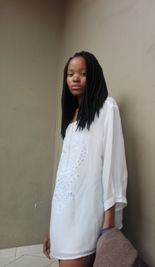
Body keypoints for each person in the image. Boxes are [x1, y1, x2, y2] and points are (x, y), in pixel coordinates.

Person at [43, 51, 128, 267]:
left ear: (95, 76)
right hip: (64, 216)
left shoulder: (107, 108)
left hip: (86, 215)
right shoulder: (72, 116)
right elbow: (64, 174)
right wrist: (52, 227)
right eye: (70, 74)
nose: (75, 78)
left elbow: (112, 165)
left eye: (83, 73)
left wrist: (108, 225)